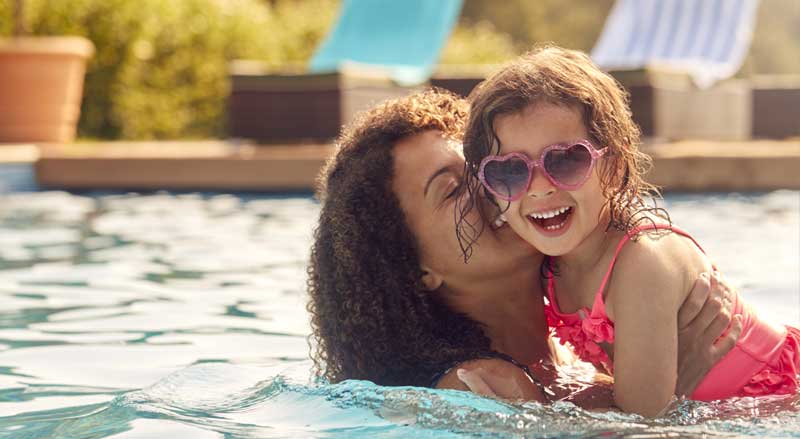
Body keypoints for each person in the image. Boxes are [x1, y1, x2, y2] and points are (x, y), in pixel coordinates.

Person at [307, 88, 741, 408]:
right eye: (454, 189)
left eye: (496, 166)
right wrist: (681, 390)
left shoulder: (581, 340)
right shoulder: (483, 387)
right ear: (416, 270)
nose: (502, 188)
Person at [459, 46, 799, 416]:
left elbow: (640, 422)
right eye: (509, 172)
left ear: (615, 163)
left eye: (567, 160)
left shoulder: (643, 263)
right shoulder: (547, 262)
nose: (540, 188)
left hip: (779, 399)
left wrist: (531, 408)